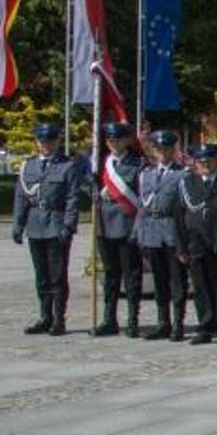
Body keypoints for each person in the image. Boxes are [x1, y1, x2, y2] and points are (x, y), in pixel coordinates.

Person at [14, 122, 83, 336]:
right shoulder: (29, 166)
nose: (45, 145)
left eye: (50, 141)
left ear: (57, 141)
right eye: (42, 141)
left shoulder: (68, 166)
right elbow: (21, 197)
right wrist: (18, 224)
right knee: (41, 276)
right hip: (35, 225)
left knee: (57, 276)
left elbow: (72, 198)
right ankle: (45, 316)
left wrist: (68, 225)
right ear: (37, 142)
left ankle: (59, 319)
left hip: (56, 225)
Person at [178, 144, 217, 345]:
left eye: (209, 161)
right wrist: (181, 246)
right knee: (201, 287)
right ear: (195, 163)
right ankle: (205, 326)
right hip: (195, 244)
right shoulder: (188, 183)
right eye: (201, 162)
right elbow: (179, 216)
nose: (205, 165)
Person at [135, 131, 189, 342]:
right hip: (152, 231)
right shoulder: (146, 174)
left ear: (173, 150)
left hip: (171, 231)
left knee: (177, 280)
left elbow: (184, 209)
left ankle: (178, 323)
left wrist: (184, 239)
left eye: (167, 149)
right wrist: (139, 233)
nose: (163, 153)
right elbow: (142, 207)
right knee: (159, 280)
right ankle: (162, 322)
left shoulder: (181, 175)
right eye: (158, 149)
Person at [94, 122, 143, 337]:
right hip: (104, 225)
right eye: (110, 140)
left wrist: (137, 228)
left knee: (131, 276)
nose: (113, 143)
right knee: (110, 275)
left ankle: (132, 320)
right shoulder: (100, 164)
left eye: (117, 139)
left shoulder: (138, 164)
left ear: (127, 140)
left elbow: (141, 199)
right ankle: (109, 319)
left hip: (126, 225)